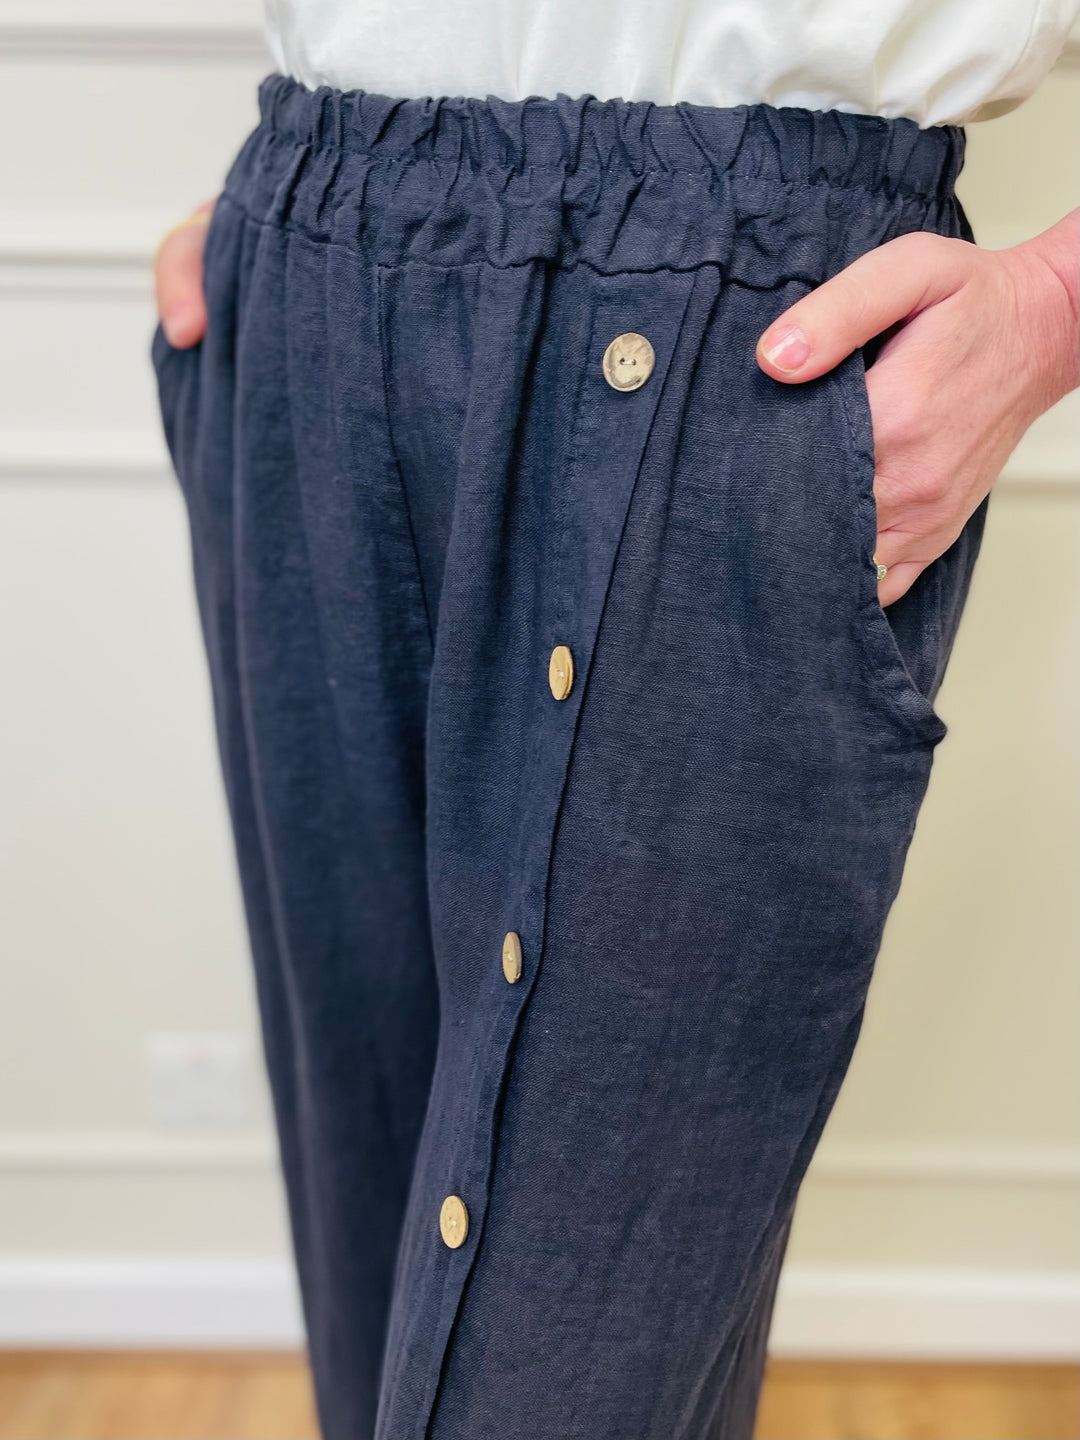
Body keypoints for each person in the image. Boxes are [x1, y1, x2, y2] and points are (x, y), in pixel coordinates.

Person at [151, 3, 1079, 1436]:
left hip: (751, 328)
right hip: (312, 273)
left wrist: (1055, 306)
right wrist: (309, 191)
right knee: (371, 1297)